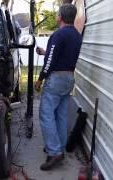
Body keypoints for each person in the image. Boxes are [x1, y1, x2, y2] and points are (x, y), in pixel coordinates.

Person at [35, 4, 82, 171]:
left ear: (60, 17)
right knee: (60, 115)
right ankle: (58, 148)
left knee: (46, 114)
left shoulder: (58, 34)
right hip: (69, 77)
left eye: (56, 15)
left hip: (56, 78)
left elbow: (50, 62)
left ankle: (54, 152)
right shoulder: (77, 35)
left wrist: (40, 79)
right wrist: (44, 52)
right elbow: (58, 53)